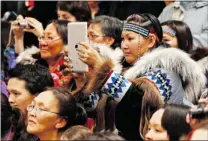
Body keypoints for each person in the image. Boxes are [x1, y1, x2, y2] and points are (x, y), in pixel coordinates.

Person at [74, 13, 206, 140]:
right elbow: (93, 108)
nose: (124, 45)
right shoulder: (122, 68)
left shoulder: (167, 70)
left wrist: (101, 68)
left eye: (130, 39)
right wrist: (81, 79)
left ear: (151, 41)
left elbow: (138, 100)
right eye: (123, 39)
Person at [15, 20, 73, 88]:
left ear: (67, 43)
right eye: (42, 37)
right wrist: (18, 37)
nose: (42, 43)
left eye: (50, 38)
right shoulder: (36, 64)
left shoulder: (72, 71)